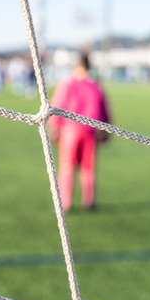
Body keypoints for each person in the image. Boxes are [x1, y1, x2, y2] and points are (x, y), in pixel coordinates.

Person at [48, 52, 111, 212]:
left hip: (71, 130)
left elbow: (58, 104)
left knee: (67, 166)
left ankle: (65, 202)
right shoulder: (95, 84)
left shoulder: (68, 83)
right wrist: (106, 128)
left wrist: (54, 126)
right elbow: (103, 108)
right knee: (88, 168)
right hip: (90, 130)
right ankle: (89, 201)